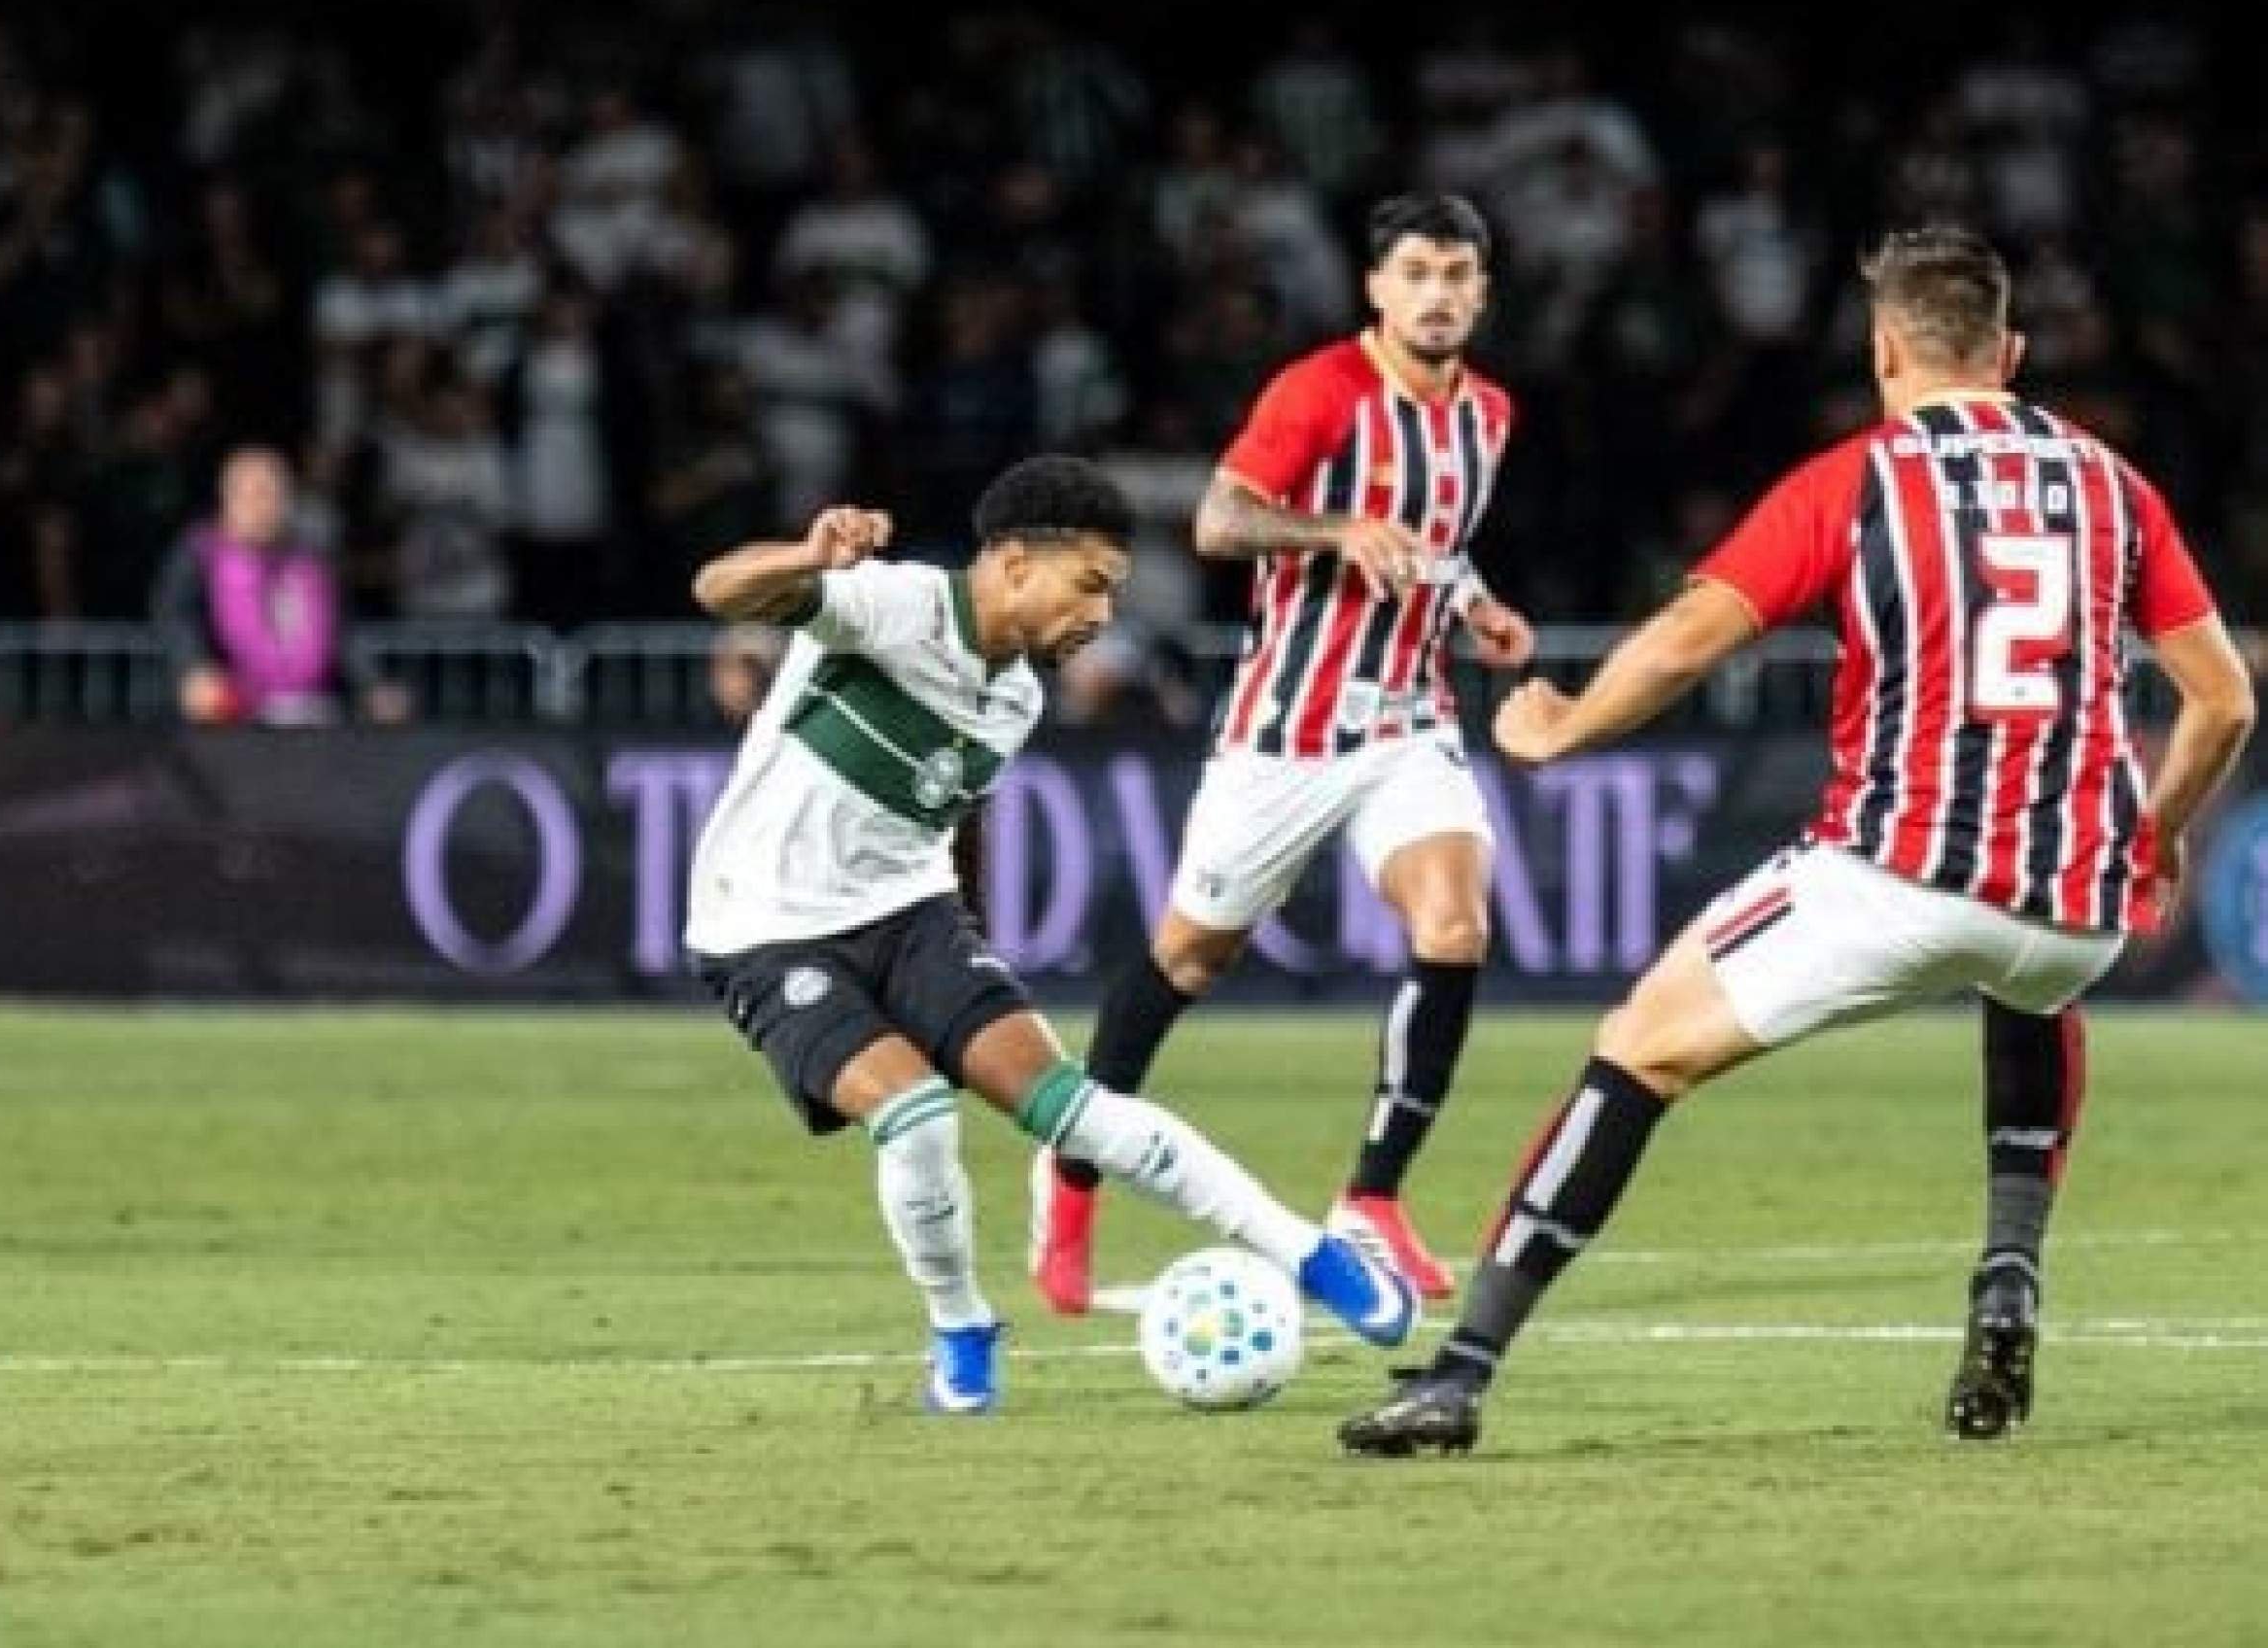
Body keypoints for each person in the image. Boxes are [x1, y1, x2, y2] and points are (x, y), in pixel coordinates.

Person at [1340, 224, 2254, 1456]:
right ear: (2011, 351)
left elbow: (1685, 638)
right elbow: (2225, 699)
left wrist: (1565, 724)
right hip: (2074, 906)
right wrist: (2154, 831)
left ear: (1885, 351)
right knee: (2026, 977)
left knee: (1637, 1050)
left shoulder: (1858, 477)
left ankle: (1459, 1372)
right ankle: (2008, 1272)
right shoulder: (2112, 482)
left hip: (1896, 872)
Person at [682, 456, 1420, 1414]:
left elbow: (955, 816)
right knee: (916, 1114)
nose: (1104, 616)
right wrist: (806, 556)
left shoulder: (1019, 697)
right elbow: (715, 588)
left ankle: (1309, 1253)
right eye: (1092, 586)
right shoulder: (894, 604)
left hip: (910, 909)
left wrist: (968, 944)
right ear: (1017, 562)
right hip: (766, 924)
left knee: (1072, 1103)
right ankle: (961, 1326)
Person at [1031, 193, 1535, 1315]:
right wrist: (1333, 529)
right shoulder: (1321, 391)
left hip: (1407, 720)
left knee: (1455, 922)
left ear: (1483, 290)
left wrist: (1479, 608)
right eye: (1417, 271)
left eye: (1458, 273)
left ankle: (1375, 1197)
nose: (1440, 292)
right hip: (1286, 732)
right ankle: (1068, 1175)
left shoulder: (1489, 414)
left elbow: (1441, 551)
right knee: (1187, 961)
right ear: (1376, 287)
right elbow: (1219, 519)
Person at [155, 445, 343, 725]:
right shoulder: (199, 553)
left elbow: (344, 630)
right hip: (229, 711)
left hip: (312, 712)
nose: (264, 506)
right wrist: (192, 669)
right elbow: (175, 616)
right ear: (228, 498)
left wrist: (372, 683)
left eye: (273, 495)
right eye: (253, 495)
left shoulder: (310, 556)